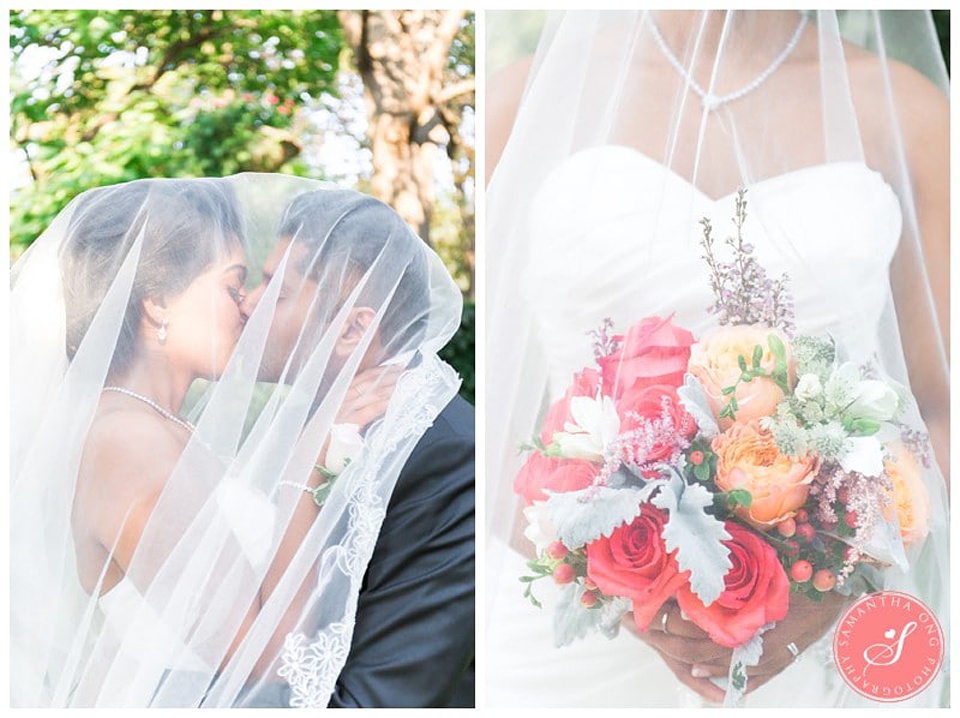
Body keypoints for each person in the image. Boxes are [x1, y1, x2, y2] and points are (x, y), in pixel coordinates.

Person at [485, 10, 948, 707]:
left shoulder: (906, 108)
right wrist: (611, 574)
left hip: (827, 629)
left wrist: (842, 577)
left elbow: (940, 399)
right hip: (567, 640)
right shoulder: (522, 100)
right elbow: (487, 398)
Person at [10, 174, 470, 708]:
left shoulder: (165, 429)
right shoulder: (127, 442)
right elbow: (271, 657)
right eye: (234, 286)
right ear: (158, 302)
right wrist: (313, 459)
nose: (248, 305)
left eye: (260, 288)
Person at [240, 189, 475, 707]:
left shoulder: (446, 457)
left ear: (352, 327)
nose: (247, 303)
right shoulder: (307, 422)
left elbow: (385, 697)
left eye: (275, 291)